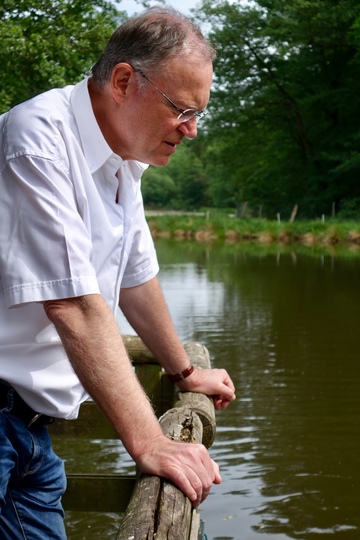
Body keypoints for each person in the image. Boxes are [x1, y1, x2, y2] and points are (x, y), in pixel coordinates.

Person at [0, 5, 236, 539]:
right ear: (125, 81)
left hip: (32, 428)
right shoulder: (38, 139)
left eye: (200, 113)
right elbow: (74, 306)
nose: (193, 130)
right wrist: (151, 442)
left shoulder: (122, 161)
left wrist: (182, 373)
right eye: (182, 109)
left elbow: (134, 279)